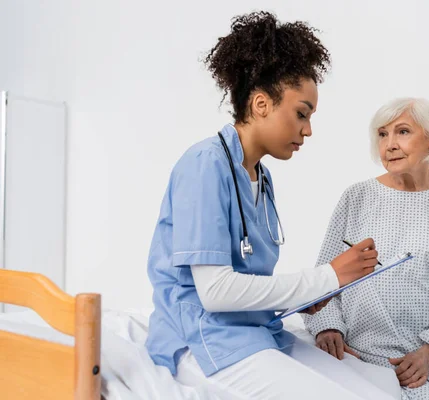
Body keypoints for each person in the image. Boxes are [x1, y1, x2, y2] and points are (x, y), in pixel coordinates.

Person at [145, 11, 397, 400]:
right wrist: (327, 278)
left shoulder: (260, 176)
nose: (308, 130)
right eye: (301, 114)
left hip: (257, 332)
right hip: (205, 341)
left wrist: (307, 299)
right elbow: (215, 293)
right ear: (261, 104)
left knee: (383, 388)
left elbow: (253, 283)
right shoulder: (204, 165)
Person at [303, 97, 429, 400]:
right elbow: (325, 278)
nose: (389, 144)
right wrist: (328, 330)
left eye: (402, 132)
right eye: (382, 134)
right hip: (355, 353)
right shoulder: (357, 198)